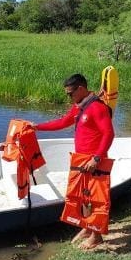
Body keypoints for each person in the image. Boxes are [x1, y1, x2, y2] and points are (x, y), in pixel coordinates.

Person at [33, 73, 114, 250]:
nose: (68, 97)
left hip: (95, 161)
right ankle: (86, 227)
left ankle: (96, 236)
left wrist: (97, 158)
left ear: (81, 89)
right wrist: (36, 127)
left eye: (70, 93)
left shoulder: (97, 108)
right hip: (81, 159)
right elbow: (63, 122)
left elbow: (109, 134)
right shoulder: (79, 107)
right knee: (82, 196)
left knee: (96, 200)